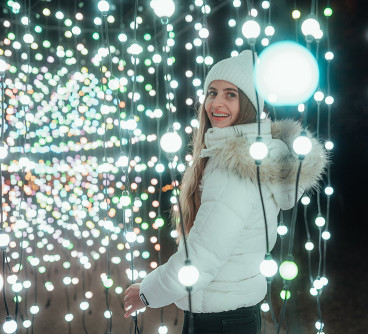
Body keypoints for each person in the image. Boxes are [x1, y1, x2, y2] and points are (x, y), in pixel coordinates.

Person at [124, 50, 327, 333]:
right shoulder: (250, 156)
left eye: (230, 94)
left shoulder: (234, 166)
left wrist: (147, 292)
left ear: (248, 103)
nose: (216, 103)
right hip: (234, 315)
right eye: (212, 92)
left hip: (218, 321)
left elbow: (202, 256)